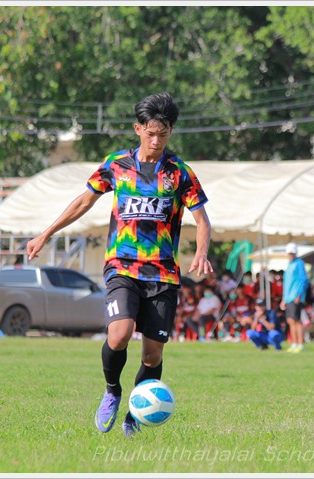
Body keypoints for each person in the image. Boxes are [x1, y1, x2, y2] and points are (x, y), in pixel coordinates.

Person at [26, 92, 213, 438]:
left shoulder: (180, 174)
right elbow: (84, 201)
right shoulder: (116, 165)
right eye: (151, 133)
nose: (156, 141)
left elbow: (202, 219)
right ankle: (112, 391)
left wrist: (201, 251)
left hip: (162, 272)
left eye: (164, 134)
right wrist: (46, 233)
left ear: (171, 132)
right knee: (120, 333)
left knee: (153, 356)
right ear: (138, 129)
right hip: (122, 267)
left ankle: (136, 412)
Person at [281, 242, 309, 353]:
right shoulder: (289, 265)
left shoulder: (299, 263)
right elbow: (287, 283)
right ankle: (294, 343)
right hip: (288, 297)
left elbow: (303, 280)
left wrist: (299, 294)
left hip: (295, 296)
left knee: (296, 320)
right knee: (290, 320)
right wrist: (284, 298)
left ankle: (300, 344)